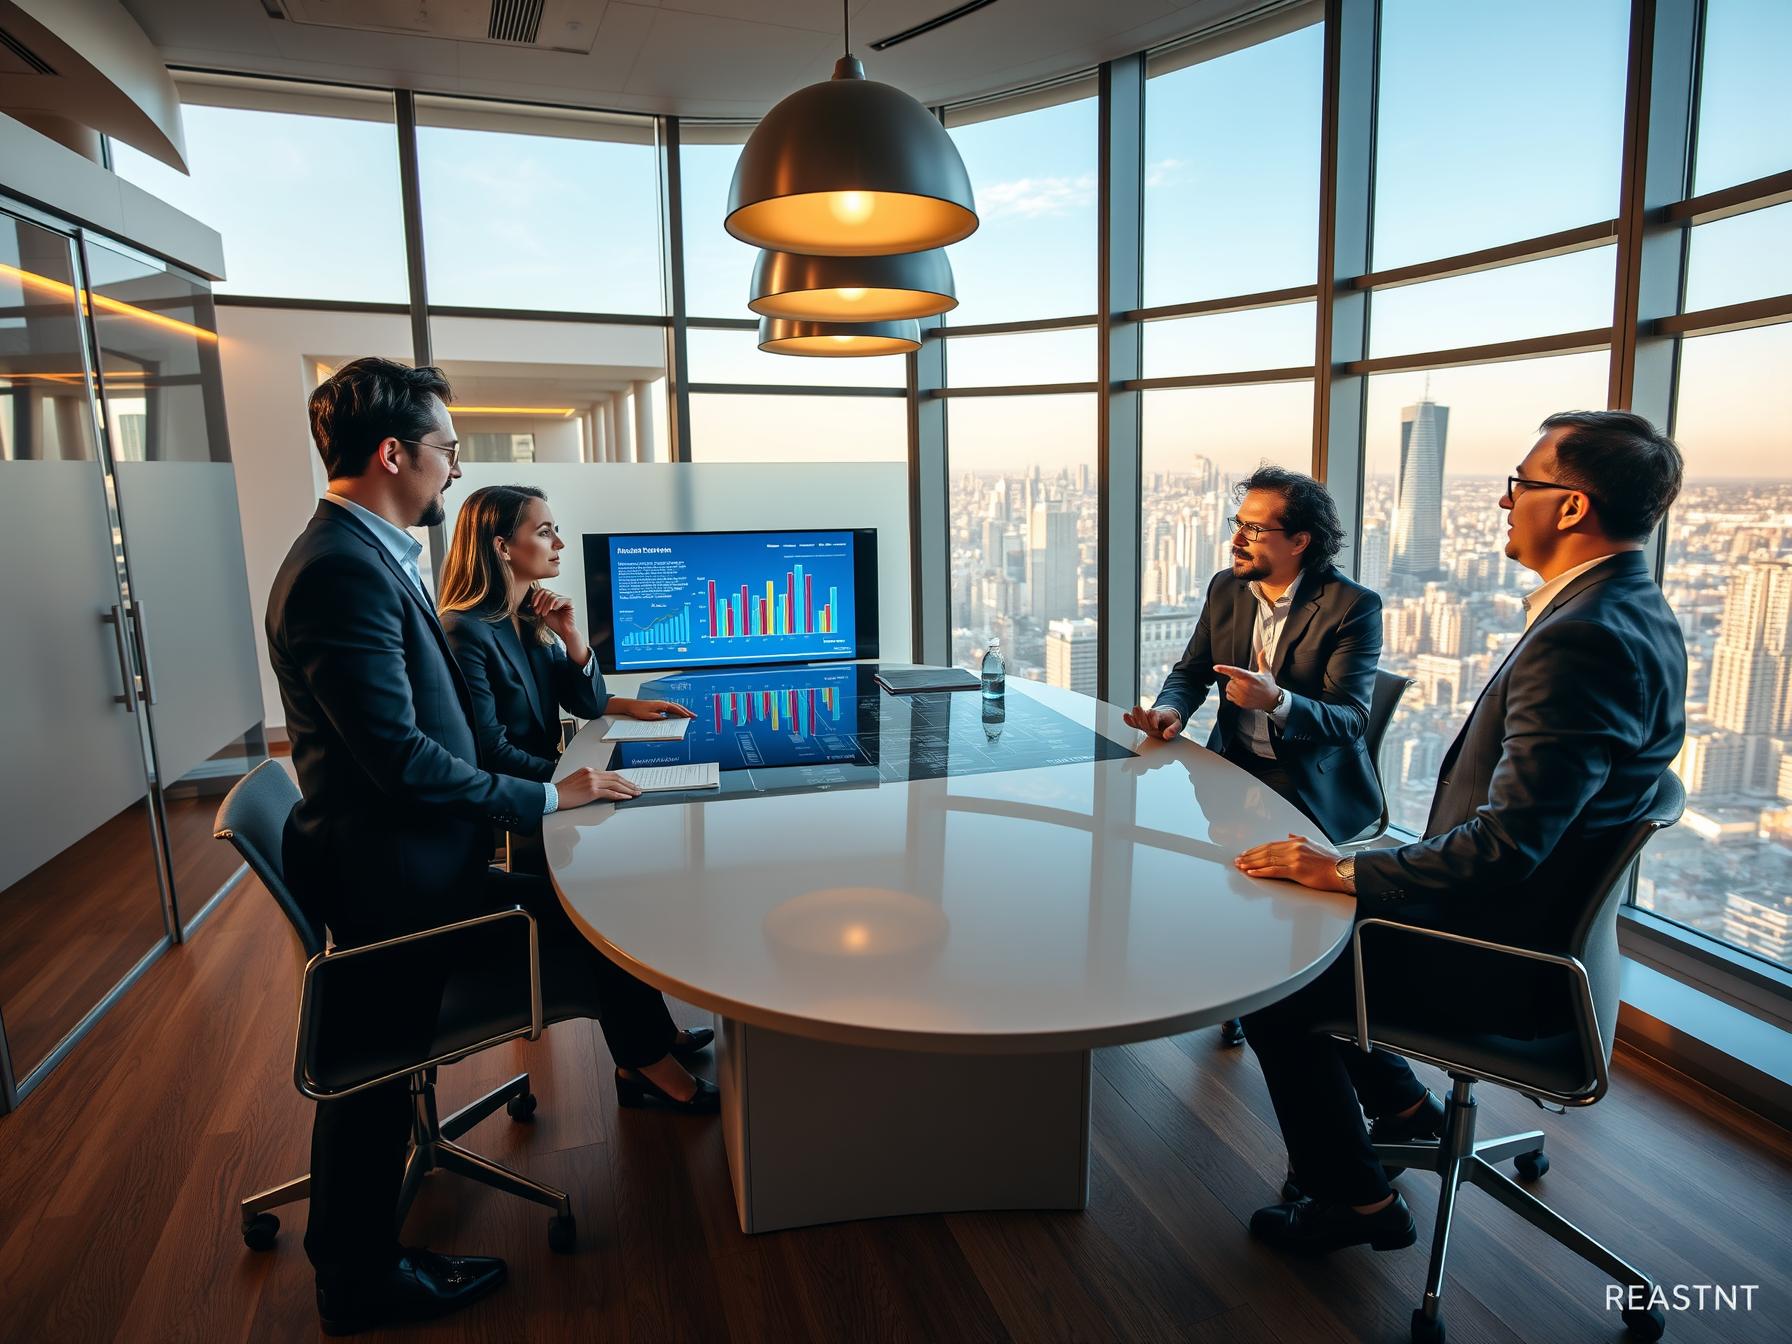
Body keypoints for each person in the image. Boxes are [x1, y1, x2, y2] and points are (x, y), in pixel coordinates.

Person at [266, 358, 717, 1337]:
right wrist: (546, 796)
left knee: (579, 906)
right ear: (395, 454)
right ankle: (357, 1278)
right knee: (377, 1065)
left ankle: (647, 1053)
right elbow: (401, 758)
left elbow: (419, 741)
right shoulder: (340, 568)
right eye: (446, 452)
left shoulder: (363, 554)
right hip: (394, 878)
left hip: (415, 859)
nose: (453, 471)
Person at [1231, 410, 1686, 1256]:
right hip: (1536, 930)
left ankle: (1353, 1203)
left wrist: (1348, 874)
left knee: (1278, 977)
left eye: (1523, 483)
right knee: (1309, 930)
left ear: (1574, 508)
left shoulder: (1583, 635)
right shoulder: (1634, 606)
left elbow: (1507, 844)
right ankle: (1404, 1109)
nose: (1507, 501)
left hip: (1503, 958)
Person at [1123, 465, 1384, 1046]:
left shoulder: (1351, 606)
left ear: (1300, 541)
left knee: (1262, 887)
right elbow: (1190, 673)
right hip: (1234, 760)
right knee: (1206, 868)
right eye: (1237, 524)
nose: (1237, 539)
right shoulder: (1226, 587)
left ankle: (1286, 998)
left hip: (1306, 781)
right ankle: (1237, 982)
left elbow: (1352, 722)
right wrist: (1171, 711)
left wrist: (1281, 702)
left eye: (1255, 529)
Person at [437, 483, 696, 870]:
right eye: (544, 532)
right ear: (503, 547)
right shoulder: (464, 629)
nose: (559, 543)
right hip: (521, 800)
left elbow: (585, 703)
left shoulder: (526, 616)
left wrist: (572, 637)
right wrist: (573, 780)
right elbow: (489, 751)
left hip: (551, 787)